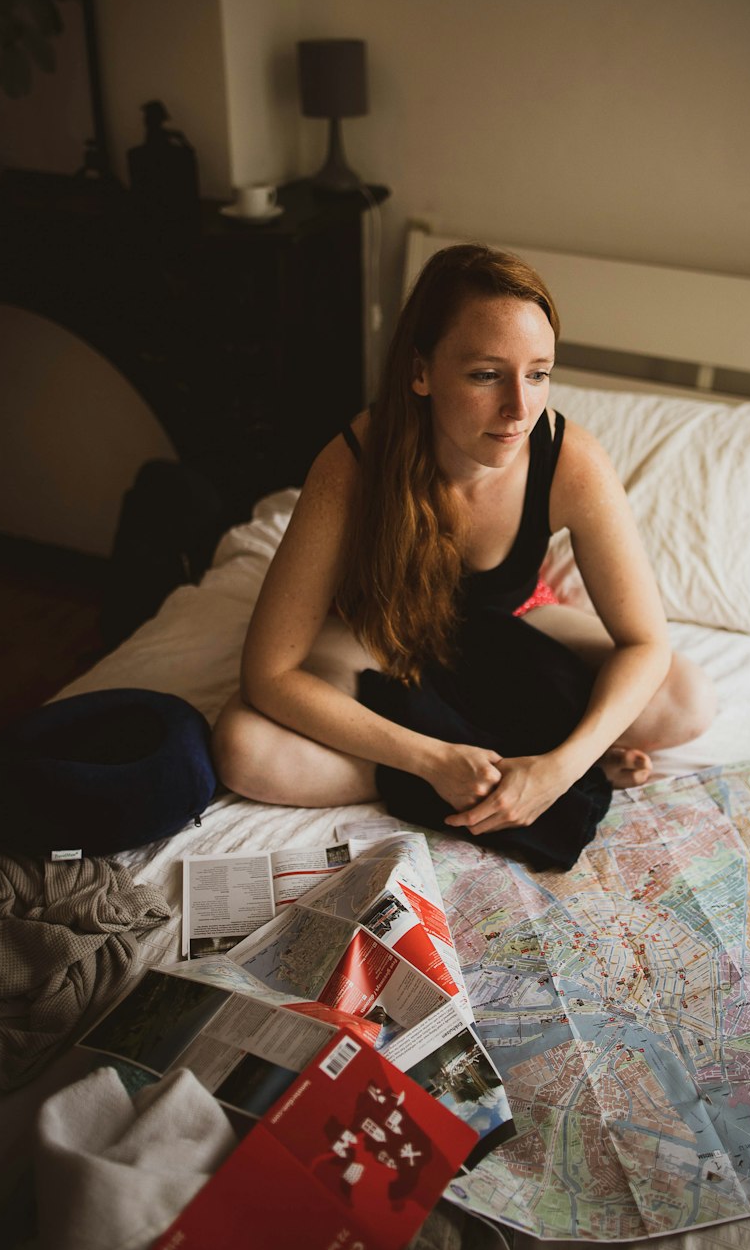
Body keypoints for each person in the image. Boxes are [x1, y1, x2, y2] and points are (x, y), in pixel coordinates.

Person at [212, 243, 716, 840]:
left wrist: (562, 769)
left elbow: (646, 644)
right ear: (420, 371)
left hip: (510, 629)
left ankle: (516, 764)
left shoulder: (569, 460)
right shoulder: (353, 464)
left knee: (686, 697)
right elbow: (268, 673)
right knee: (243, 746)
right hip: (379, 639)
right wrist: (430, 760)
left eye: (538, 374)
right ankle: (464, 770)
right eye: (486, 375)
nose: (518, 408)